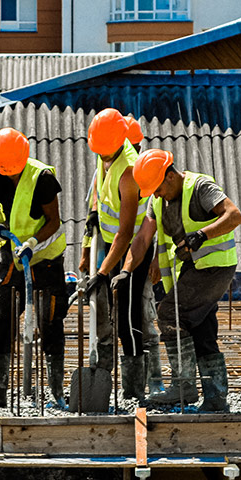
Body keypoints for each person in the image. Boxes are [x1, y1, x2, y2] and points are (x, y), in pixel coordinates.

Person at [122, 148, 241, 412]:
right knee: (201, 328)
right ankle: (215, 397)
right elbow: (143, 238)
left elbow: (234, 215)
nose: (156, 194)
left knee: (170, 313)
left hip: (214, 267)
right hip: (193, 269)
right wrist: (126, 271)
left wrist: (202, 234)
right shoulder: (158, 202)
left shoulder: (200, 186)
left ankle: (184, 386)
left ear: (170, 176)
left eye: (158, 188)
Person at [0, 128, 69, 409]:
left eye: (14, 170)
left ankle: (56, 392)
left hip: (46, 259)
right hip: (11, 259)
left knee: (50, 324)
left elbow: (54, 221)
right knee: (3, 322)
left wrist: (34, 241)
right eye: (6, 170)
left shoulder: (43, 178)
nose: (10, 174)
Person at [78, 109, 164, 401]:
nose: (100, 155)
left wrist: (102, 272)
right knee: (109, 317)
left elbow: (126, 232)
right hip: (111, 246)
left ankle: (134, 389)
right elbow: (99, 193)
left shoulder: (129, 169)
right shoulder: (106, 152)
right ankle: (113, 379)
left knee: (129, 318)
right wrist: (91, 224)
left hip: (133, 250)